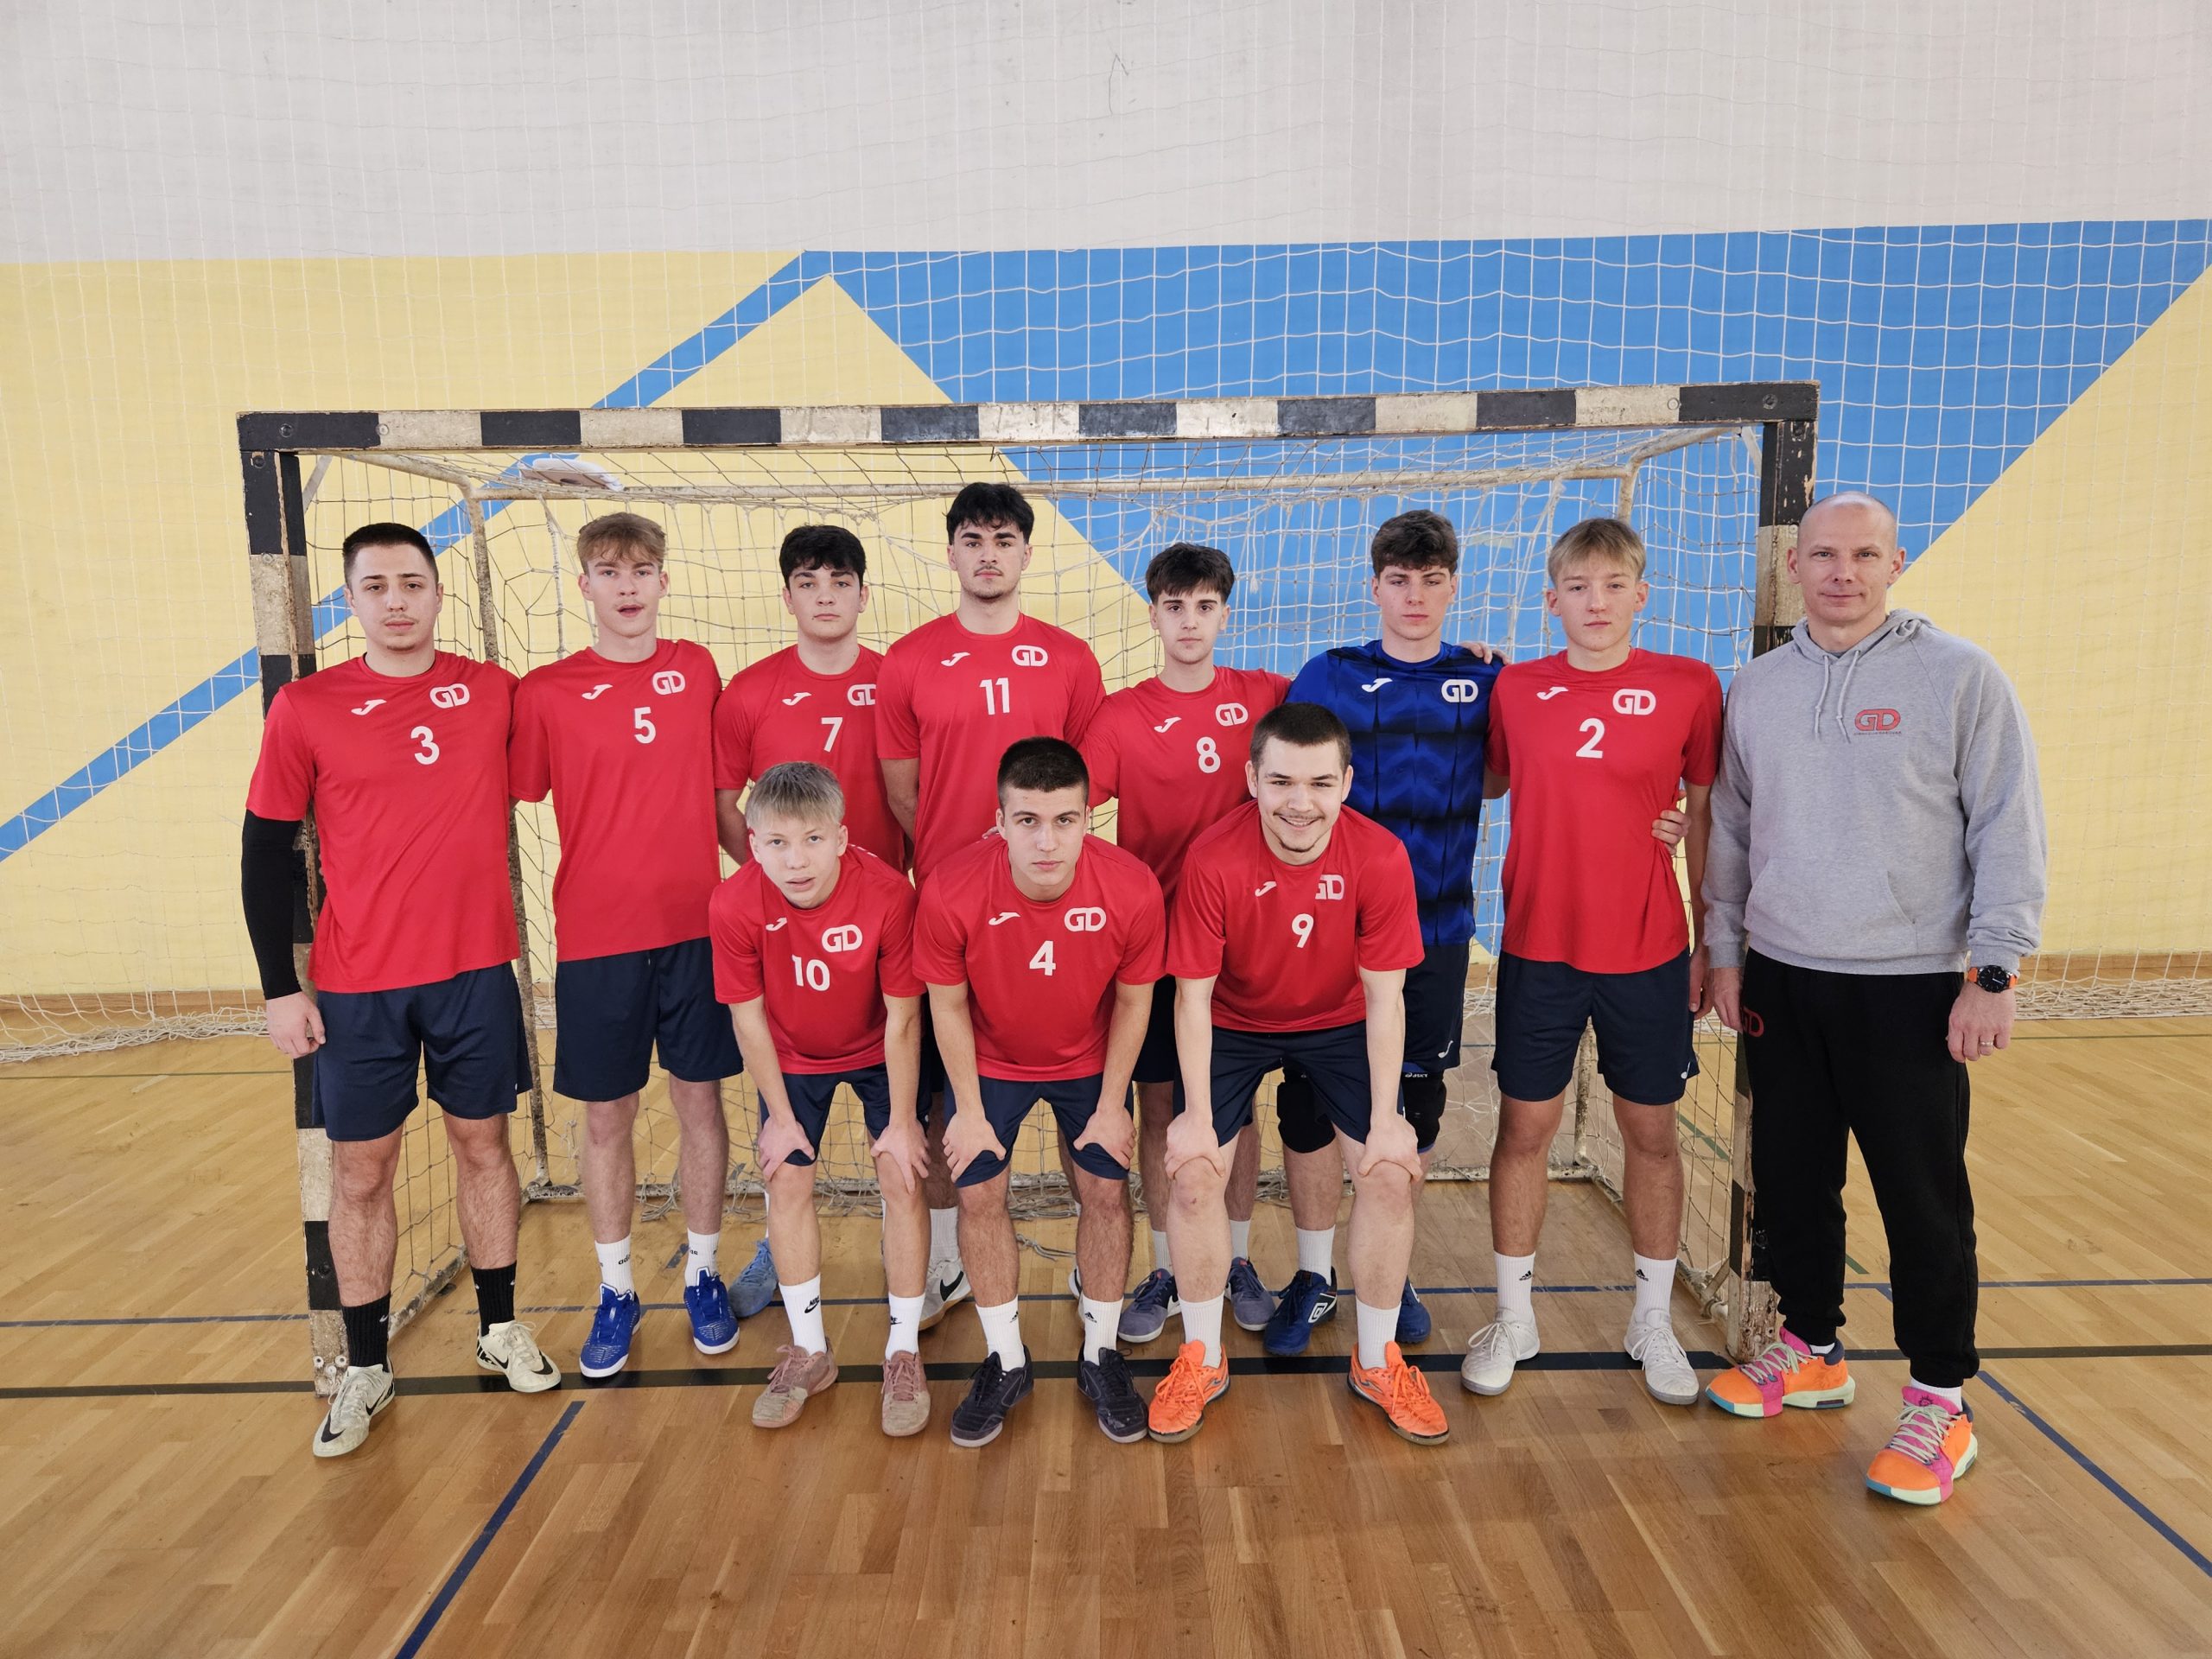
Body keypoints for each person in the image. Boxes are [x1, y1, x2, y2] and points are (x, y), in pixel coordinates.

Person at [1701, 491, 2046, 1507]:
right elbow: (1730, 830)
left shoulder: (1959, 676)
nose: (1841, 572)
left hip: (1910, 986)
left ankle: (1940, 1399)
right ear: (1793, 567)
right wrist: (1724, 954)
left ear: (1894, 564)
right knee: (1791, 1181)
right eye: (1823, 555)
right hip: (1782, 975)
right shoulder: (1757, 688)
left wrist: (1993, 972)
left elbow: (2007, 825)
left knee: (1920, 1199)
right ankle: (1810, 1347)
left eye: (1862, 555)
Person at [243, 522, 557, 1458]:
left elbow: (570, 750)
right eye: (375, 585)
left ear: (437, 593)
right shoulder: (305, 707)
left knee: (484, 1146)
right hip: (357, 988)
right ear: (350, 600)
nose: (395, 600)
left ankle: (499, 1327)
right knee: (361, 1172)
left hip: (475, 973)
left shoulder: (492, 690)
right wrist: (279, 987)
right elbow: (264, 850)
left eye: (412, 583)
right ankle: (367, 1365)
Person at [1459, 517, 1722, 1408]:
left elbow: (1705, 816)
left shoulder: (1689, 685)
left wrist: (1709, 940)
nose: (1596, 602)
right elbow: (1488, 780)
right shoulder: (1515, 687)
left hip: (1648, 953)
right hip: (1539, 948)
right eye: (1578, 587)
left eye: (1613, 586)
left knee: (1649, 1135)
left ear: (1641, 595)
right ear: (1553, 600)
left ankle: (1651, 1321)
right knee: (1522, 1131)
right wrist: (1463, 672)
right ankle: (1514, 1319)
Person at [1147, 702, 1443, 1446]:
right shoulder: (1213, 858)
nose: (1299, 803)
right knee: (1192, 1175)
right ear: (1252, 780)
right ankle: (1202, 1358)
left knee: (1387, 1172)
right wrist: (1194, 1120)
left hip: (1339, 1021)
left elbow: (1386, 998)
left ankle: (1377, 1362)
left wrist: (1387, 1117)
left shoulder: (1379, 857)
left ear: (1347, 783)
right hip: (1233, 1022)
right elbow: (1192, 998)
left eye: (1318, 783)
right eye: (1281, 782)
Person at [510, 512, 744, 1379]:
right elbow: (511, 788)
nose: (627, 586)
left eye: (642, 570)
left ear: (663, 581)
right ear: (584, 586)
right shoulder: (545, 691)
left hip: (696, 931)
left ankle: (703, 1273)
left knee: (700, 1106)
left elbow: (722, 794)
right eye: (609, 572)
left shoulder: (697, 668)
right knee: (606, 1117)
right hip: (597, 941)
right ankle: (616, 1289)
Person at [1272, 510, 1503, 1355]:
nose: (1415, 596)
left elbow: (1507, 779)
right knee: (1307, 1098)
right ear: (1374, 587)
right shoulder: (1329, 674)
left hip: (1433, 931)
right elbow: (1284, 788)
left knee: (1413, 1102)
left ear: (1453, 587)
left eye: (1431, 581)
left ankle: (1388, 1265)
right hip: (1328, 930)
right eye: (1399, 581)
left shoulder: (1486, 680)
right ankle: (1312, 1275)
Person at [876, 483, 1107, 1331]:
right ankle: (946, 1260)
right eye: (972, 539)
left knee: (1078, 1079)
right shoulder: (909, 660)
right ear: (950, 553)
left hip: (1054, 907)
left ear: (1026, 554)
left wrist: (1025, 859)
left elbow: (1080, 788)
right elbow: (903, 794)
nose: (987, 554)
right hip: (951, 909)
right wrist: (964, 871)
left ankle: (1094, 1268)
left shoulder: (1070, 658)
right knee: (950, 1092)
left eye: (1003, 540)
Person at [912, 738, 1164, 1446]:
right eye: (1027, 821)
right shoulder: (952, 888)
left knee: (1107, 1192)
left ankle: (1100, 1353)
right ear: (999, 821)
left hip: (1088, 1058)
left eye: (1064, 820)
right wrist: (966, 1110)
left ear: (1089, 818)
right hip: (991, 1060)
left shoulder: (1132, 887)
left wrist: (1112, 1104)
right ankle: (1006, 1359)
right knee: (979, 1195)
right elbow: (946, 1005)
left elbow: (1135, 1001)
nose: (1046, 841)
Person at [1080, 541, 1285, 1342]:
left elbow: (1349, 724)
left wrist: (1468, 657)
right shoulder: (1121, 714)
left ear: (1226, 614)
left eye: (1204, 606)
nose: (1190, 621)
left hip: (1247, 942)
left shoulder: (1266, 695)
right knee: (1163, 1106)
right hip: (1159, 949)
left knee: (1237, 1109)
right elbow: (1067, 801)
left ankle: (1235, 1260)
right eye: (1175, 607)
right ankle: (1168, 1266)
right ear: (1154, 614)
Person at [712, 523, 906, 1316]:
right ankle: (776, 1245)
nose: (825, 597)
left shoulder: (897, 680)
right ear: (787, 595)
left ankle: (930, 1261)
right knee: (785, 1125)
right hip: (788, 928)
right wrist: (776, 881)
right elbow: (726, 801)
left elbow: (916, 789)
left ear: (864, 594)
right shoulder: (749, 691)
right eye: (808, 583)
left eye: (840, 582)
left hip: (884, 920)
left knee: (908, 1120)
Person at [709, 763, 932, 1435]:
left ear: (840, 837)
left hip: (877, 1047)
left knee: (901, 1173)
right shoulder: (733, 904)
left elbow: (904, 1018)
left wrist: (901, 1122)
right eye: (777, 843)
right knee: (786, 1176)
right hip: (791, 1055)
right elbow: (747, 1020)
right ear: (753, 843)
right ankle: (810, 1352)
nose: (796, 860)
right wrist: (779, 1119)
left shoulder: (889, 893)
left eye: (811, 840)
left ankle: (903, 1351)